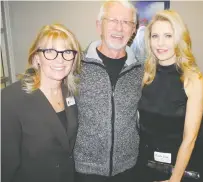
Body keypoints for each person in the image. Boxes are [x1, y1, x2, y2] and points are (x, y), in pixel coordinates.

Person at [73, 1, 144, 182]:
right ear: (99, 26)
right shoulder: (76, 65)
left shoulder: (141, 70)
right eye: (112, 20)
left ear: (133, 29)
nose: (119, 28)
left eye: (126, 22)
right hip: (86, 170)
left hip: (128, 167)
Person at [2, 24, 81, 182]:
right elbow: (5, 166)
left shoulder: (71, 93)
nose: (60, 59)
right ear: (36, 57)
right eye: (50, 51)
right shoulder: (10, 99)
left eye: (67, 52)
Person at [138, 9, 203, 182]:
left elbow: (190, 138)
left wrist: (174, 179)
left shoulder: (193, 79)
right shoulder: (145, 74)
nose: (160, 43)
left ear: (179, 38)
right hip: (146, 164)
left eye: (168, 35)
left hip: (181, 168)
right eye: (155, 36)